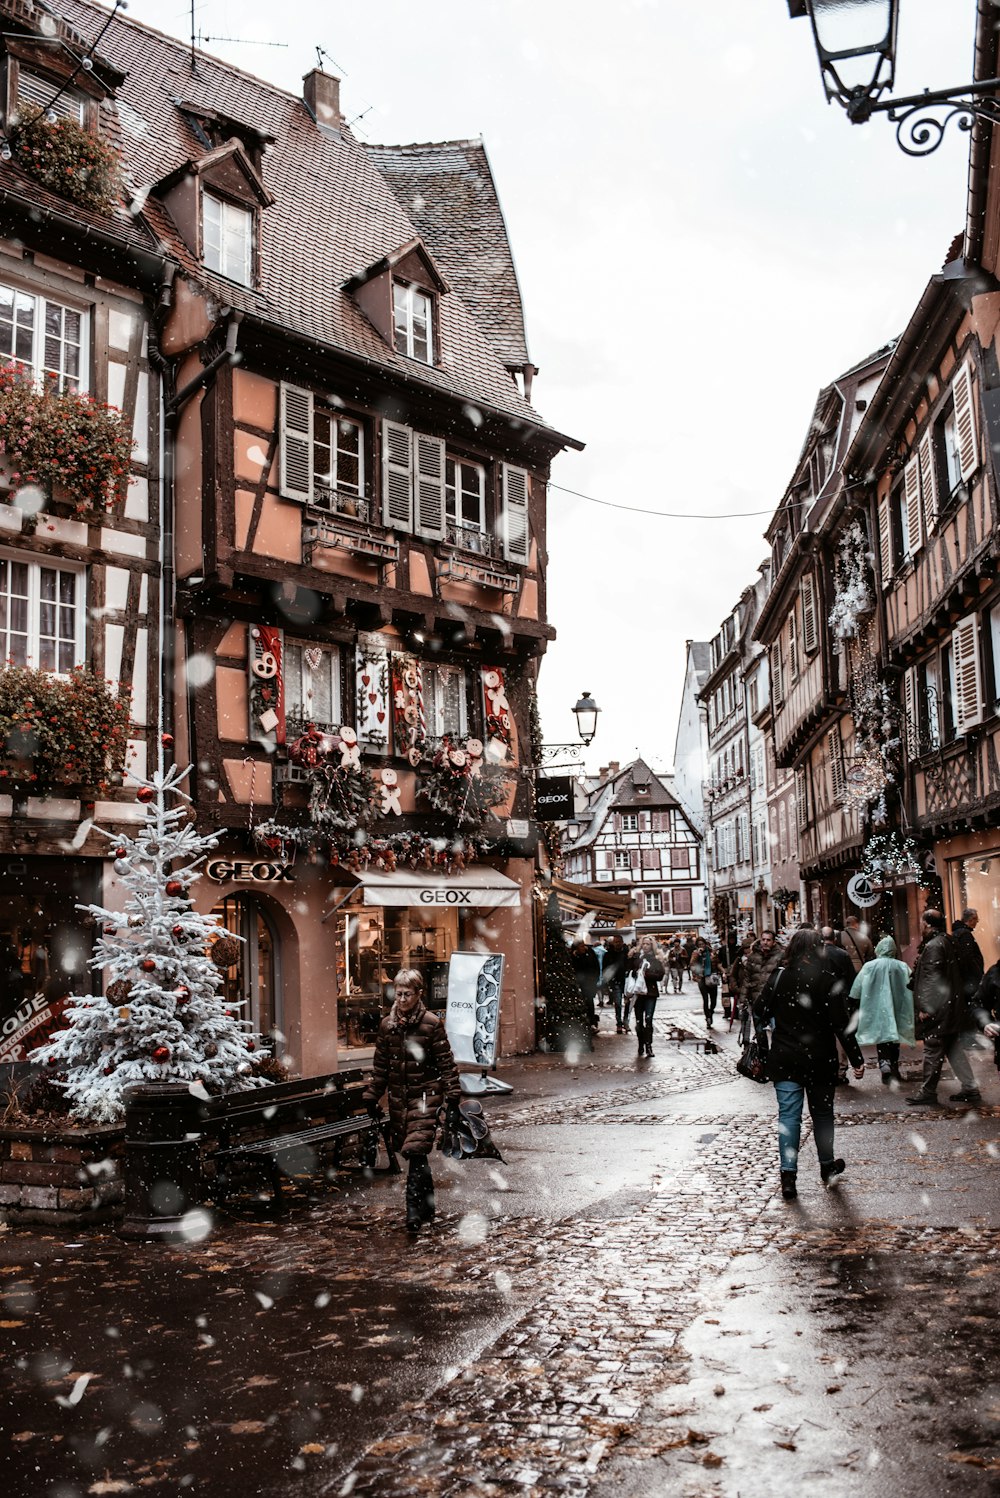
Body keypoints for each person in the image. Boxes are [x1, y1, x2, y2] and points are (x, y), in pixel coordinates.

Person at [753, 926, 865, 1200]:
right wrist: (856, 1058)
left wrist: (769, 1039)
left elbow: (758, 1010)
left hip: (786, 1057)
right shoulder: (827, 979)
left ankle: (788, 1177)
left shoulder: (779, 977)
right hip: (819, 1058)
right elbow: (842, 1024)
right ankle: (827, 1167)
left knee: (789, 1118)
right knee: (822, 1116)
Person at [364, 969, 461, 1233]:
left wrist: (452, 1094)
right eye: (399, 993)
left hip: (425, 1097)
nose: (403, 998)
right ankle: (427, 1207)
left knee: (415, 1152)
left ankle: (413, 1214)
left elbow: (445, 1063)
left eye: (408, 993)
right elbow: (381, 1066)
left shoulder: (431, 1024)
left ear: (419, 994)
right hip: (400, 1099)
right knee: (415, 1155)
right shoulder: (387, 1025)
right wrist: (373, 1094)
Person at [907, 909, 981, 1106]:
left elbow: (932, 978)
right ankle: (970, 1087)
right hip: (951, 1005)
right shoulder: (947, 941)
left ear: (927, 924)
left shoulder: (934, 945)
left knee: (933, 1047)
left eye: (922, 922)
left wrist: (926, 1007)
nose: (920, 925)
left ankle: (928, 1091)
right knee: (953, 1048)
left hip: (941, 1008)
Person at [849, 936, 915, 1085]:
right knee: (894, 1037)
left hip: (876, 1005)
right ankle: (893, 1065)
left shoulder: (870, 966)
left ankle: (884, 1062)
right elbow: (912, 983)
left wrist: (854, 1001)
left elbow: (856, 989)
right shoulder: (902, 966)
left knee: (882, 1035)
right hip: (898, 1005)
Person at [822, 926, 861, 1086]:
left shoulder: (817, 955)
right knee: (841, 1035)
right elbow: (851, 979)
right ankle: (840, 1069)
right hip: (840, 999)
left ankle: (829, 1069)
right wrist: (852, 1002)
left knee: (826, 1034)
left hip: (823, 1000)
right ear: (835, 938)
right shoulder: (842, 954)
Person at [739, 930, 781, 1048]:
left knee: (776, 1032)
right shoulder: (753, 957)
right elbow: (746, 980)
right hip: (757, 999)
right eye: (763, 939)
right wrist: (743, 1001)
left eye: (768, 940)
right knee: (760, 1033)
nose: (765, 942)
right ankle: (763, 1059)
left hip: (774, 1001)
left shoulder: (780, 956)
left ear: (773, 942)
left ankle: (775, 1059)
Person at [628, 936, 664, 1059]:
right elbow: (629, 969)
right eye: (644, 944)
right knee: (639, 1020)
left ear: (652, 945)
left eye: (648, 944)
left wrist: (646, 975)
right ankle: (640, 1044)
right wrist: (634, 971)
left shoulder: (656, 959)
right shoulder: (637, 957)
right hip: (638, 993)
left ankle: (648, 1045)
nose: (645, 946)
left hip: (650, 992)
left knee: (648, 1019)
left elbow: (660, 975)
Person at [571, 940, 601, 1032]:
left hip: (589, 983)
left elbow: (596, 966)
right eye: (581, 946)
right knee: (582, 1004)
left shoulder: (590, 953)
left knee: (589, 1003)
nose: (584, 948)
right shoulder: (574, 956)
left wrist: (595, 980)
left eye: (584, 946)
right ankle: (583, 1024)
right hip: (579, 984)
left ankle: (591, 1023)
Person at [603, 933, 628, 1034]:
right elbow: (605, 969)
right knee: (617, 1003)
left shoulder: (627, 953)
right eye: (615, 942)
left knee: (627, 1003)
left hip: (626, 981)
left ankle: (626, 1022)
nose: (617, 944)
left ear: (622, 942)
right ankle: (619, 1023)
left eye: (619, 942)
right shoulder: (608, 954)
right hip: (615, 982)